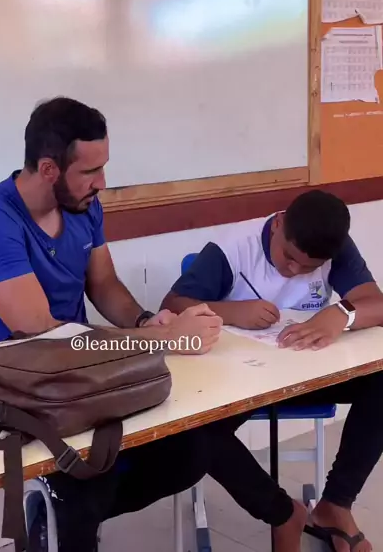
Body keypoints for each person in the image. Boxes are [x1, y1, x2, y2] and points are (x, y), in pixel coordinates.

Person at [0, 96, 310, 552]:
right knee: (86, 487)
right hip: (20, 387)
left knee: (197, 439)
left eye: (104, 167)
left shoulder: (82, 206)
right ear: (48, 169)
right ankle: (64, 512)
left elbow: (103, 285)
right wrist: (159, 338)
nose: (102, 182)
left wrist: (146, 320)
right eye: (90, 171)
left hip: (82, 374)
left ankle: (283, 514)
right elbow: (43, 334)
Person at [163, 190, 383, 552]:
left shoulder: (333, 245)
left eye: (308, 268)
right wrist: (232, 312)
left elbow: (375, 303)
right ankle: (282, 512)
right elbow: (172, 307)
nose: (293, 271)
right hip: (239, 381)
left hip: (305, 374)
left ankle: (336, 504)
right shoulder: (233, 247)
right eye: (288, 257)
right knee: (194, 432)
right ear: (278, 223)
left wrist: (341, 313)